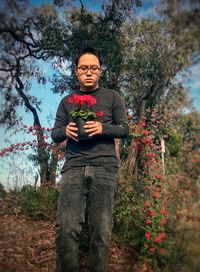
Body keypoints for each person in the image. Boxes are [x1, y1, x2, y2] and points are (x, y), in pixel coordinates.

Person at [51, 47, 128, 272]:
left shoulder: (113, 97)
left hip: (105, 168)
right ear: (76, 71)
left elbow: (124, 130)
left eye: (93, 68)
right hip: (73, 168)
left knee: (101, 231)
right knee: (65, 228)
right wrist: (66, 130)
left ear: (100, 71)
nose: (88, 72)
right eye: (83, 68)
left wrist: (102, 127)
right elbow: (55, 134)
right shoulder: (67, 101)